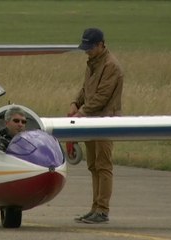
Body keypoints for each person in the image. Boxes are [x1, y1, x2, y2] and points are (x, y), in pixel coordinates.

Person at [69, 28, 124, 224]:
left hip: (105, 121)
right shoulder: (92, 63)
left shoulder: (111, 66)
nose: (87, 51)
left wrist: (81, 113)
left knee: (103, 165)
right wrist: (76, 102)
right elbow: (86, 88)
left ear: (101, 44)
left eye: (90, 48)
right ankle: (95, 207)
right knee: (93, 166)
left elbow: (102, 96)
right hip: (90, 120)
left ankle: (103, 210)